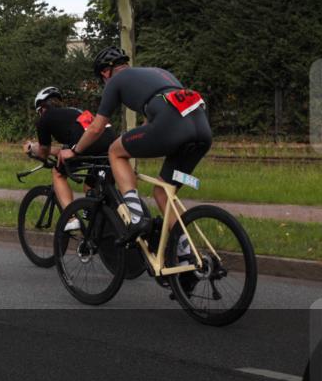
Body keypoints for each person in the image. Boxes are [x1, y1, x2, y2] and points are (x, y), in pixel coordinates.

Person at [58, 47, 212, 269]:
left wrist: (74, 150)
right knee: (163, 191)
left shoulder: (114, 82)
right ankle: (188, 255)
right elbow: (154, 121)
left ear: (104, 73)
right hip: (201, 130)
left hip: (172, 126)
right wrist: (136, 138)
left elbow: (96, 128)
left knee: (115, 151)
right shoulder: (159, 73)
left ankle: (137, 216)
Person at [22, 86, 117, 231]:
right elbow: (66, 150)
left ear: (41, 108)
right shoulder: (74, 112)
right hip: (111, 142)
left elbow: (43, 153)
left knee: (58, 173)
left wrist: (32, 148)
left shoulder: (46, 118)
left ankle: (71, 218)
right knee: (91, 188)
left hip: (85, 145)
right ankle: (102, 229)